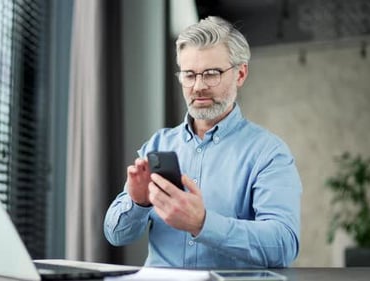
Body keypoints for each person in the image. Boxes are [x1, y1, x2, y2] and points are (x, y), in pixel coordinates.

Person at [103, 16, 302, 269]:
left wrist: (203, 223)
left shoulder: (270, 153)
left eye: (211, 74)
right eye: (189, 75)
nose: (198, 87)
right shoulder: (158, 145)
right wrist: (138, 202)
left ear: (240, 74)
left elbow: (284, 245)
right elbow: (116, 235)